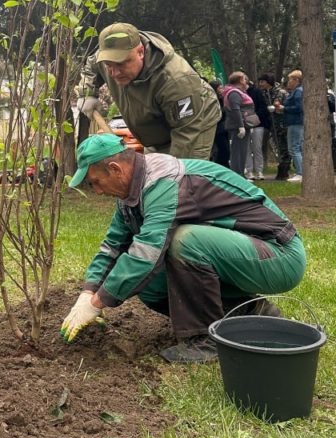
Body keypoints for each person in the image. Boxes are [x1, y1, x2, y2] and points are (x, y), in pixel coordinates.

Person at [60, 134, 306, 363]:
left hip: (278, 256)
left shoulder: (163, 182)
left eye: (96, 182)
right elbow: (112, 246)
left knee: (184, 241)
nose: (98, 191)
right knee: (148, 285)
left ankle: (208, 341)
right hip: (243, 256)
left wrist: (98, 303)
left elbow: (147, 253)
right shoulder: (131, 195)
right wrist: (88, 292)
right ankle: (251, 312)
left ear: (115, 169)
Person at [79, 23, 219, 159]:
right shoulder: (107, 57)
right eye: (108, 65)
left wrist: (176, 175)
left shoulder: (176, 80)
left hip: (193, 124)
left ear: (140, 52)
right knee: (153, 176)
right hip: (154, 131)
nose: (114, 73)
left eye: (121, 64)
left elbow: (187, 135)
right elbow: (91, 66)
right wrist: (87, 93)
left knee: (185, 175)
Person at [222, 71, 259, 177]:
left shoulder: (239, 91)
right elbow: (235, 109)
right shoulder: (234, 93)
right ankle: (237, 174)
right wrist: (241, 126)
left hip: (243, 125)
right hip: (238, 126)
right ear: (240, 80)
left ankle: (241, 173)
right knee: (238, 150)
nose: (246, 80)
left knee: (242, 150)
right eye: (244, 78)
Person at [256, 73, 290, 180]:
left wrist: (277, 109)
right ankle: (282, 168)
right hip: (272, 123)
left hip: (282, 123)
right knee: (278, 146)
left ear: (268, 82)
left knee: (283, 146)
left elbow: (284, 106)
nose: (260, 84)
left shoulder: (280, 92)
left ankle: (285, 169)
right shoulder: (264, 93)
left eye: (262, 82)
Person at [244, 76, 272, 180]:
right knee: (246, 148)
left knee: (257, 148)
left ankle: (259, 171)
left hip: (257, 124)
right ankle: (249, 171)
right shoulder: (238, 93)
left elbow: (263, 107)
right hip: (244, 125)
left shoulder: (256, 92)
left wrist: (255, 117)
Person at [278, 69, 303, 182]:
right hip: (294, 122)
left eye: (290, 79)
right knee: (297, 147)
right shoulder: (296, 91)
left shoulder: (298, 92)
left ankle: (300, 173)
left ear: (296, 80)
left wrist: (284, 108)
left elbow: (299, 108)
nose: (288, 82)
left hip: (295, 122)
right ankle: (300, 171)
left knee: (294, 147)